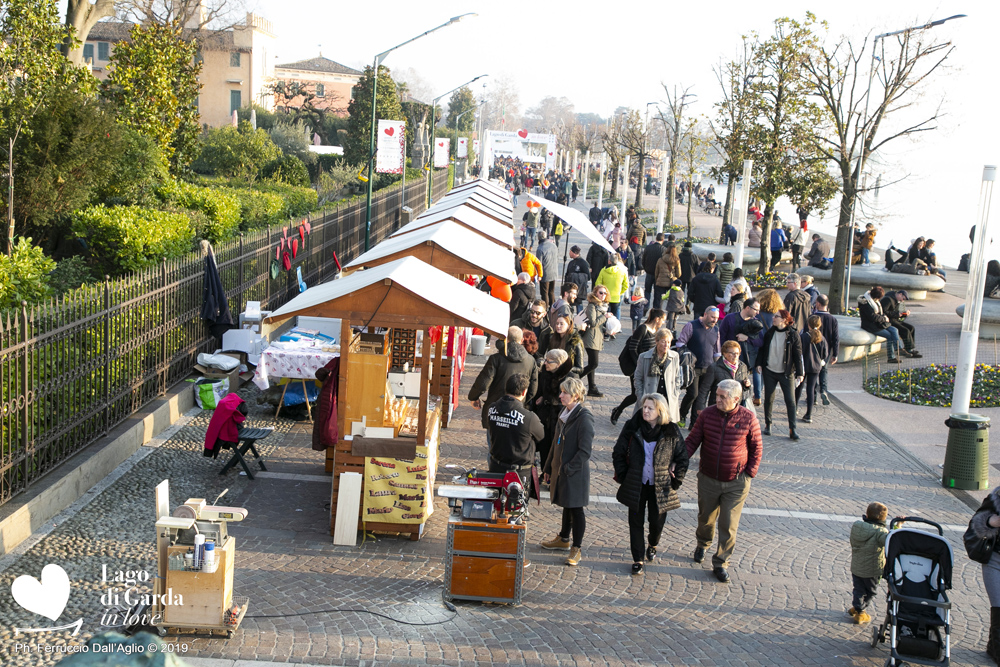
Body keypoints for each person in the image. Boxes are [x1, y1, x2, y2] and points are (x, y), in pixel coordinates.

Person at [686, 379, 762, 583]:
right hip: (708, 478)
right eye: (717, 395)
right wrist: (678, 460)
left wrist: (749, 474)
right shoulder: (707, 415)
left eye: (722, 396)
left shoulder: (748, 419)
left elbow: (757, 448)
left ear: (736, 399)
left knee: (728, 524)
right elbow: (692, 441)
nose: (716, 399)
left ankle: (721, 562)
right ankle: (703, 543)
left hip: (736, 483)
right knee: (706, 518)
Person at [612, 393, 689, 576]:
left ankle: (653, 543)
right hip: (637, 484)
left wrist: (675, 479)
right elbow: (618, 452)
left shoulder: (671, 431)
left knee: (656, 522)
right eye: (644, 407)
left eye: (650, 408)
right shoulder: (632, 426)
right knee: (635, 522)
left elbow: (683, 457)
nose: (645, 411)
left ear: (660, 411)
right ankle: (637, 558)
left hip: (660, 486)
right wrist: (624, 476)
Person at [541, 377, 594, 567]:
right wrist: (548, 468)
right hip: (563, 470)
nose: (560, 395)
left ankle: (576, 548)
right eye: (561, 391)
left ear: (576, 396)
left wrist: (567, 469)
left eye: (565, 393)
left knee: (576, 509)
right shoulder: (565, 415)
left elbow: (585, 451)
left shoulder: (584, 418)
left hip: (575, 473)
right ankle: (563, 538)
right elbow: (555, 444)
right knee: (567, 505)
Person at [468, 327, 539, 432]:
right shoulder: (531, 361)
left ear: (506, 339)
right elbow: (533, 388)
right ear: (522, 340)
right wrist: (523, 401)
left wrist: (474, 397)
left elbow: (483, 382)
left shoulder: (496, 358)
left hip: (496, 408)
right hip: (517, 410)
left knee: (493, 442)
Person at [487, 373, 544, 498]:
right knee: (517, 511)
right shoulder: (529, 417)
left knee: (493, 506)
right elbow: (541, 436)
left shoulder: (491, 409)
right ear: (524, 392)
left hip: (496, 466)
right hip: (520, 473)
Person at [612, 311, 669, 424]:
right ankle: (618, 410)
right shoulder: (643, 329)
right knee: (636, 394)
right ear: (657, 319)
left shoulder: (656, 332)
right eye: (663, 319)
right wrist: (639, 364)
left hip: (650, 368)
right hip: (637, 367)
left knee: (647, 393)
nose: (663, 322)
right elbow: (633, 348)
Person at [756, 309, 804, 440]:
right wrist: (759, 364)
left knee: (790, 400)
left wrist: (800, 373)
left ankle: (792, 429)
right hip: (769, 371)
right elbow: (762, 349)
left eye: (776, 317)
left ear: (784, 319)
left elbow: (797, 355)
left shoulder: (793, 334)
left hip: (786, 372)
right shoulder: (770, 332)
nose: (773, 318)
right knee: (769, 398)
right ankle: (768, 424)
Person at [676, 306, 721, 426]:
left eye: (716, 318)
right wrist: (686, 357)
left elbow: (717, 351)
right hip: (693, 368)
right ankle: (682, 414)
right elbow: (680, 343)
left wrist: (718, 366)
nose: (714, 320)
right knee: (693, 394)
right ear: (705, 314)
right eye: (712, 317)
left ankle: (694, 422)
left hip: (708, 368)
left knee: (701, 396)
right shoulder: (691, 326)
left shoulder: (716, 330)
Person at [970, 484, 1000, 663]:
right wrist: (990, 522)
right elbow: (975, 523)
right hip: (995, 561)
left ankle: (992, 647)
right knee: (998, 606)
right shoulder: (996, 496)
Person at [534, 349, 575, 477]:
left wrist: (547, 399)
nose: (545, 363)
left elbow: (567, 399)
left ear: (558, 364)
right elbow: (539, 391)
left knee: (557, 446)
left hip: (559, 417)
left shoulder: (570, 377)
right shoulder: (544, 374)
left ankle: (554, 473)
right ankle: (545, 471)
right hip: (545, 416)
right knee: (544, 444)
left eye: (548, 361)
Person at [847, 502, 889, 625]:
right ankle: (860, 612)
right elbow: (890, 541)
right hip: (873, 570)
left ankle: (857, 606)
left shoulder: (857, 526)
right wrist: (898, 527)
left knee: (858, 589)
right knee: (870, 592)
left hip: (857, 566)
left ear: (867, 514)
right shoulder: (881, 531)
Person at [633, 327, 682, 423]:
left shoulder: (674, 356)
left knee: (666, 426)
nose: (666, 345)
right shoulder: (644, 357)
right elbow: (638, 378)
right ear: (657, 341)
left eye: (668, 342)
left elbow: (677, 377)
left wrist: (675, 394)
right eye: (663, 341)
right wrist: (641, 396)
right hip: (650, 397)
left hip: (668, 398)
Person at [795, 315, 828, 424]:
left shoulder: (804, 337)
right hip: (816, 367)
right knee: (811, 389)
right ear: (819, 325)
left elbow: (798, 351)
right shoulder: (822, 338)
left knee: (799, 387)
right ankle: (809, 414)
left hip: (804, 366)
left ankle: (794, 408)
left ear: (808, 324)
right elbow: (825, 354)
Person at [701, 340, 752, 409]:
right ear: (724, 353)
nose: (735, 355)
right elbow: (704, 389)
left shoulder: (743, 367)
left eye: (738, 353)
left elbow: (745, 390)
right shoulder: (714, 367)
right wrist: (700, 407)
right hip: (718, 406)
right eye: (732, 353)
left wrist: (747, 385)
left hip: (736, 407)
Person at [858, 286, 902, 364]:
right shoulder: (866, 303)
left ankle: (898, 348)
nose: (879, 300)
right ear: (876, 297)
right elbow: (872, 317)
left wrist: (883, 317)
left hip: (879, 324)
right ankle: (891, 357)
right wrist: (884, 319)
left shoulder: (874, 301)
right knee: (889, 335)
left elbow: (879, 313)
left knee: (894, 329)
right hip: (870, 326)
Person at [581, 286, 610, 397]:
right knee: (594, 363)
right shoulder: (592, 306)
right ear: (595, 293)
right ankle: (576, 377)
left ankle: (592, 387)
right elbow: (593, 323)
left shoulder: (602, 307)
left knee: (592, 364)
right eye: (601, 292)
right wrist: (605, 317)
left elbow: (600, 324)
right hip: (591, 338)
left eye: (605, 293)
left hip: (598, 337)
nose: (603, 295)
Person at [813, 295, 839, 406]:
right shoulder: (833, 319)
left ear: (818, 304)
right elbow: (836, 338)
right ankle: (823, 390)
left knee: (812, 371)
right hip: (826, 349)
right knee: (824, 370)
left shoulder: (813, 317)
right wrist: (835, 354)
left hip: (813, 348)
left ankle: (813, 395)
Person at [880, 289, 921, 358]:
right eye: (903, 298)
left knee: (911, 328)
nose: (902, 300)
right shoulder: (888, 299)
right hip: (889, 321)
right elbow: (884, 312)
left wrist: (904, 314)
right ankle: (909, 349)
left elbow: (899, 312)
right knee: (905, 330)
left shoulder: (897, 300)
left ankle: (909, 348)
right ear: (900, 294)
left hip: (895, 319)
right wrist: (897, 314)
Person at [544, 313, 586, 377]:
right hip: (552, 375)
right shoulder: (552, 338)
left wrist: (564, 368)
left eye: (561, 324)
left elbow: (580, 368)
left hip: (568, 377)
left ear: (569, 326)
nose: (558, 326)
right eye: (557, 323)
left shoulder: (575, 342)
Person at [595, 255, 630, 321]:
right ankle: (615, 328)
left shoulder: (604, 270)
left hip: (605, 297)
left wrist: (600, 293)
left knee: (605, 315)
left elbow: (598, 284)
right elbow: (626, 285)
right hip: (616, 297)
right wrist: (620, 292)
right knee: (615, 315)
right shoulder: (622, 271)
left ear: (609, 261)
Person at [535, 232, 558, 308]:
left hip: (545, 274)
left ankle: (545, 308)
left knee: (544, 293)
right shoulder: (554, 245)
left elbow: (539, 263)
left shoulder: (540, 248)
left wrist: (538, 275)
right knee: (551, 292)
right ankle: (553, 307)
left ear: (539, 238)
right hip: (554, 272)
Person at [654, 243, 680, 310]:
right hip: (672, 282)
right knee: (671, 300)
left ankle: (658, 313)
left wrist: (657, 280)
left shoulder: (661, 259)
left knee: (659, 300)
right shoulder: (677, 260)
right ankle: (670, 316)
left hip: (661, 282)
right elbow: (679, 274)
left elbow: (656, 272)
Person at [643, 234, 666, 303]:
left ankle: (646, 305)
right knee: (658, 292)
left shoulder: (648, 248)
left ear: (656, 239)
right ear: (663, 240)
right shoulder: (664, 250)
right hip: (659, 274)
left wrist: (646, 268)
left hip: (649, 272)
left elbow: (643, 260)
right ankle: (656, 308)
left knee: (647, 290)